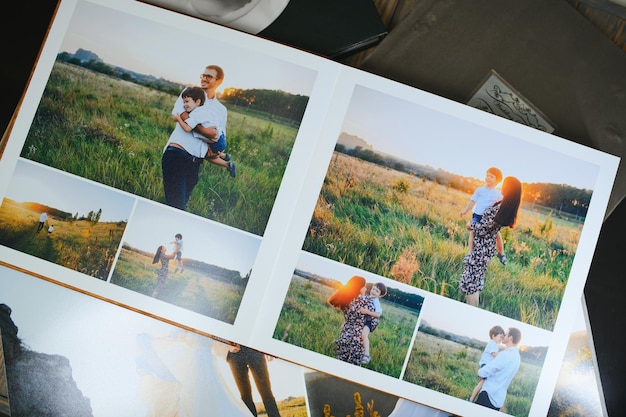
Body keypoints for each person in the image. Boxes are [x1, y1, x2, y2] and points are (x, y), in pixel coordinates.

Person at [135, 329, 255, 416]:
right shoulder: (186, 329)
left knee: (213, 390)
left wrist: (229, 344)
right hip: (196, 363)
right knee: (197, 393)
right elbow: (173, 337)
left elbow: (217, 338)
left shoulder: (208, 328)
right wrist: (155, 339)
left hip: (208, 363)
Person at [161, 65, 229, 210]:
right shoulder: (190, 93)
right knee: (176, 205)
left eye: (208, 76)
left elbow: (219, 134)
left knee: (181, 205)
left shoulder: (221, 110)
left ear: (219, 81)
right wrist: (205, 131)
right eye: (203, 75)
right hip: (177, 154)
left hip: (195, 162)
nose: (204, 78)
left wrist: (214, 147)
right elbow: (178, 115)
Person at [459, 176, 522, 307]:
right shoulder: (504, 205)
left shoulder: (500, 207)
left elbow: (483, 230)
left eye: (505, 184)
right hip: (486, 247)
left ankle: (472, 309)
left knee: (471, 284)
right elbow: (491, 228)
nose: (502, 186)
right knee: (473, 283)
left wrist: (470, 225)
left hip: (481, 248)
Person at [172, 86, 236, 177]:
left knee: (205, 154)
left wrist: (179, 119)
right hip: (220, 138)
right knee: (208, 151)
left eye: (187, 102)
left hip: (217, 141)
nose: (184, 105)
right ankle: (223, 155)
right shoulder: (204, 110)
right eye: (183, 102)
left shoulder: (195, 114)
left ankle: (228, 164)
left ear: (197, 102)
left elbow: (187, 129)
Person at [460, 167, 507, 265]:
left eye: (491, 177)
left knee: (497, 234)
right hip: (477, 215)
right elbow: (472, 202)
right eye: (487, 175)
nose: (488, 178)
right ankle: (469, 254)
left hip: (489, 219)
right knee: (473, 232)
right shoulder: (479, 190)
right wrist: (465, 211)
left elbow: (504, 205)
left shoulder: (498, 194)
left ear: (497, 181)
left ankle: (501, 253)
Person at [223, 343, 281, 417]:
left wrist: (269, 348)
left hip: (254, 349)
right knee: (245, 396)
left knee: (266, 391)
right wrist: (228, 345)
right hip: (234, 353)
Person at [328, 275, 375, 365]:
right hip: (357, 339)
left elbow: (349, 318)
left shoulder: (345, 300)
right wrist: (368, 327)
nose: (365, 289)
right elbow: (374, 320)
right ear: (359, 287)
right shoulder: (366, 301)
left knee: (339, 363)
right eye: (364, 286)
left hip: (344, 336)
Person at [474, 327, 522, 411]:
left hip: (488, 395)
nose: (503, 336)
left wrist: (480, 372)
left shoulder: (505, 355)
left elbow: (485, 371)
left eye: (506, 334)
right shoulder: (517, 357)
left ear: (510, 338)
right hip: (498, 400)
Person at [468, 325, 504, 402]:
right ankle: (470, 399)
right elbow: (494, 354)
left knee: (484, 385)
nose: (501, 339)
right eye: (500, 337)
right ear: (493, 336)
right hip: (486, 366)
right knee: (481, 384)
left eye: (503, 337)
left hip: (487, 366)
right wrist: (504, 354)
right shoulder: (493, 344)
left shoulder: (494, 344)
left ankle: (476, 399)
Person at [358, 281, 387, 365]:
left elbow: (378, 314)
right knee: (356, 332)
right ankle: (344, 341)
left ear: (380, 295)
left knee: (364, 335)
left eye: (377, 291)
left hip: (370, 321)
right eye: (373, 289)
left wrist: (367, 311)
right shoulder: (368, 297)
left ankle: (367, 354)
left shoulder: (376, 302)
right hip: (363, 319)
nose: (374, 291)